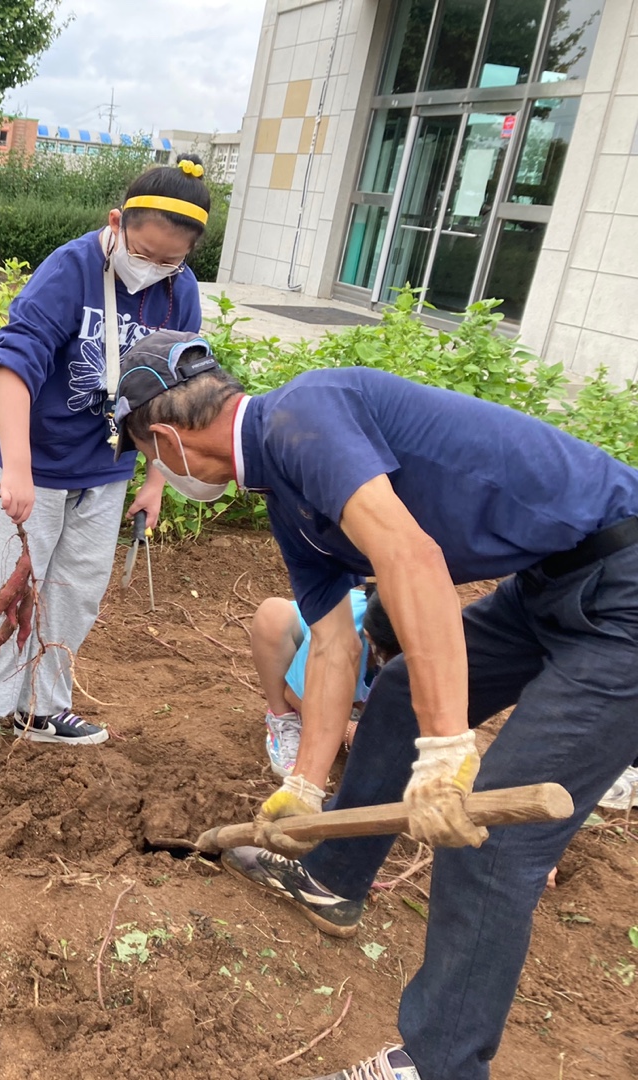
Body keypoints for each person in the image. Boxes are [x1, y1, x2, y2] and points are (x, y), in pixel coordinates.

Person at [113, 333, 638, 1080]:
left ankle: (439, 1064)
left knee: (487, 837)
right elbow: (331, 643)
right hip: (546, 582)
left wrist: (449, 749)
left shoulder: (306, 415)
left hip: (624, 584)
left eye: (146, 457)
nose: (155, 470)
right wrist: (304, 784)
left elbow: (413, 559)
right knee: (394, 696)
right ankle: (332, 877)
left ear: (164, 437)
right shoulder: (286, 493)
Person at [0, 157, 211, 751]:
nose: (154, 268)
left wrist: (156, 480)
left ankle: (41, 707)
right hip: (34, 464)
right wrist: (17, 468)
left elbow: (174, 393)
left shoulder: (180, 291)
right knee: (6, 585)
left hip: (107, 468)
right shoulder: (71, 268)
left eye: (170, 260)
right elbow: (15, 362)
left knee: (75, 590)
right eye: (144, 251)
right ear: (116, 222)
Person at [251, 584, 400, 776]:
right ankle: (284, 721)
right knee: (273, 615)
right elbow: (294, 695)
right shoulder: (340, 631)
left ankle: (350, 709)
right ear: (371, 638)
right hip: (301, 681)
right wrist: (350, 731)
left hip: (360, 670)